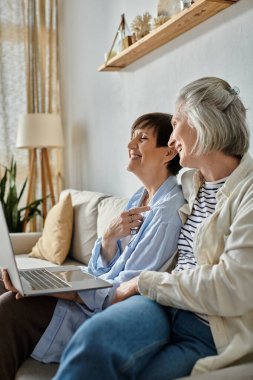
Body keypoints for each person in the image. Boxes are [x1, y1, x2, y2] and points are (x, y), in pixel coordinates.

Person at [53, 77, 253, 380]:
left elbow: (232, 287)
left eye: (176, 123)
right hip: (160, 306)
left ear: (205, 122)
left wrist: (142, 283)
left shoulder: (246, 194)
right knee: (95, 339)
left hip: (205, 326)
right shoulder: (190, 184)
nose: (172, 139)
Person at [0, 112, 185, 380]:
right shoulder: (139, 199)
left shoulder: (167, 212)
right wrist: (108, 238)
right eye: (131, 137)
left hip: (102, 309)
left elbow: (128, 287)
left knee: (9, 308)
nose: (130, 145)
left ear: (168, 153)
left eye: (142, 138)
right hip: (94, 291)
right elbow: (101, 267)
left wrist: (69, 292)